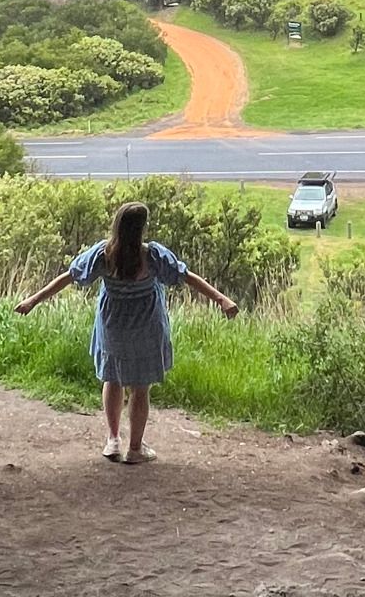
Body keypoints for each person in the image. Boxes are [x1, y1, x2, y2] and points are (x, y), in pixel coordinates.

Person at [16, 199, 237, 464]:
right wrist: (221, 299)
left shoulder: (104, 254)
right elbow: (186, 276)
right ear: (142, 228)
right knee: (140, 388)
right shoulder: (152, 255)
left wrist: (33, 300)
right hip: (146, 327)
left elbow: (69, 276)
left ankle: (112, 440)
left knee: (112, 379)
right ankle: (135, 448)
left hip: (114, 326)